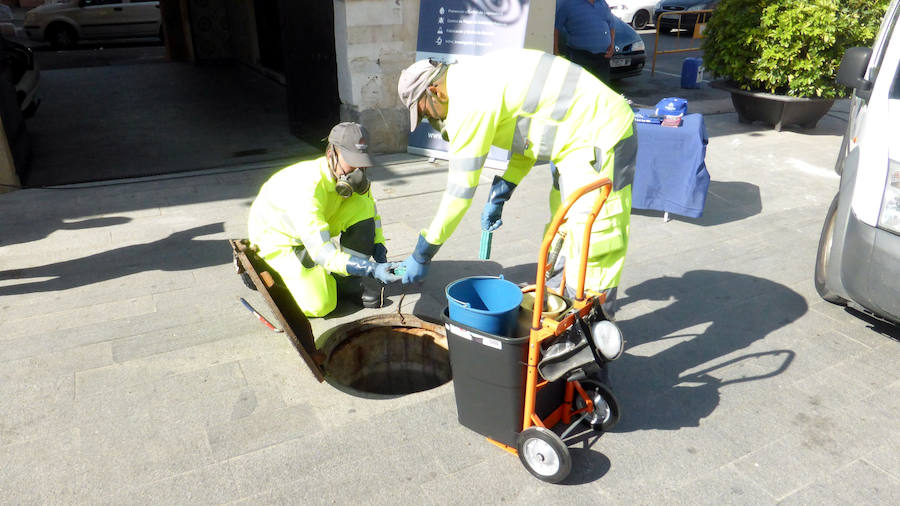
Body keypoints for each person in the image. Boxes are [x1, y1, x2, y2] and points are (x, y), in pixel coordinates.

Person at [396, 48, 637, 308]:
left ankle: (593, 319)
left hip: (600, 133)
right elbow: (531, 136)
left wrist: (423, 252)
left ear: (435, 91)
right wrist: (503, 190)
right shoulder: (471, 76)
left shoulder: (468, 104)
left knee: (593, 238)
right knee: (561, 229)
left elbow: (459, 193)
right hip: (573, 140)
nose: (431, 119)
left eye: (426, 112)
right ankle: (560, 305)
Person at [247, 122, 402, 317]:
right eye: (352, 162)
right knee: (321, 305)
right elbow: (323, 253)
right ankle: (264, 268)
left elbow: (371, 214)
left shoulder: (351, 179)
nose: (357, 172)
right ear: (331, 155)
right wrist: (371, 269)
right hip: (279, 237)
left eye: (362, 163)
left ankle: (346, 281)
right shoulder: (306, 189)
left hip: (317, 224)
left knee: (362, 205)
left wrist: (379, 246)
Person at [554, 0, 617, 84]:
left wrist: (612, 44)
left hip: (603, 58)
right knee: (581, 87)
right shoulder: (567, 3)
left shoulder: (602, 3)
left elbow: (611, 25)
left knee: (601, 88)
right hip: (580, 57)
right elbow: (555, 27)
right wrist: (555, 50)